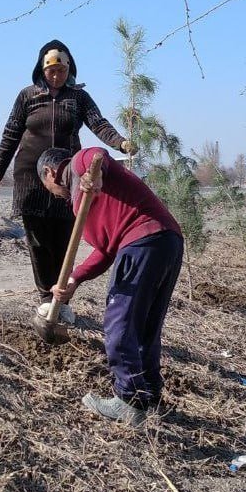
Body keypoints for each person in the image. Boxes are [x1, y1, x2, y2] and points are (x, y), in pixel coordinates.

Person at [0, 40, 136, 319]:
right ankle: (47, 298)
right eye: (51, 70)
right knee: (39, 242)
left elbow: (99, 123)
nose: (56, 76)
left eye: (61, 70)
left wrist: (121, 143)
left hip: (68, 178)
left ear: (70, 69)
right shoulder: (27, 96)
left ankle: (63, 301)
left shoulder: (78, 98)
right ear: (42, 69)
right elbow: (11, 133)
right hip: (31, 178)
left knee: (66, 239)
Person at [40, 146, 183, 427]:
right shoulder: (81, 202)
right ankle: (149, 393)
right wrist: (74, 279)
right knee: (145, 327)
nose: (52, 192)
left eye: (47, 186)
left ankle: (128, 399)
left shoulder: (80, 170)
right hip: (165, 241)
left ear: (50, 173)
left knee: (120, 323)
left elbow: (95, 154)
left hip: (142, 241)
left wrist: (93, 177)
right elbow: (105, 250)